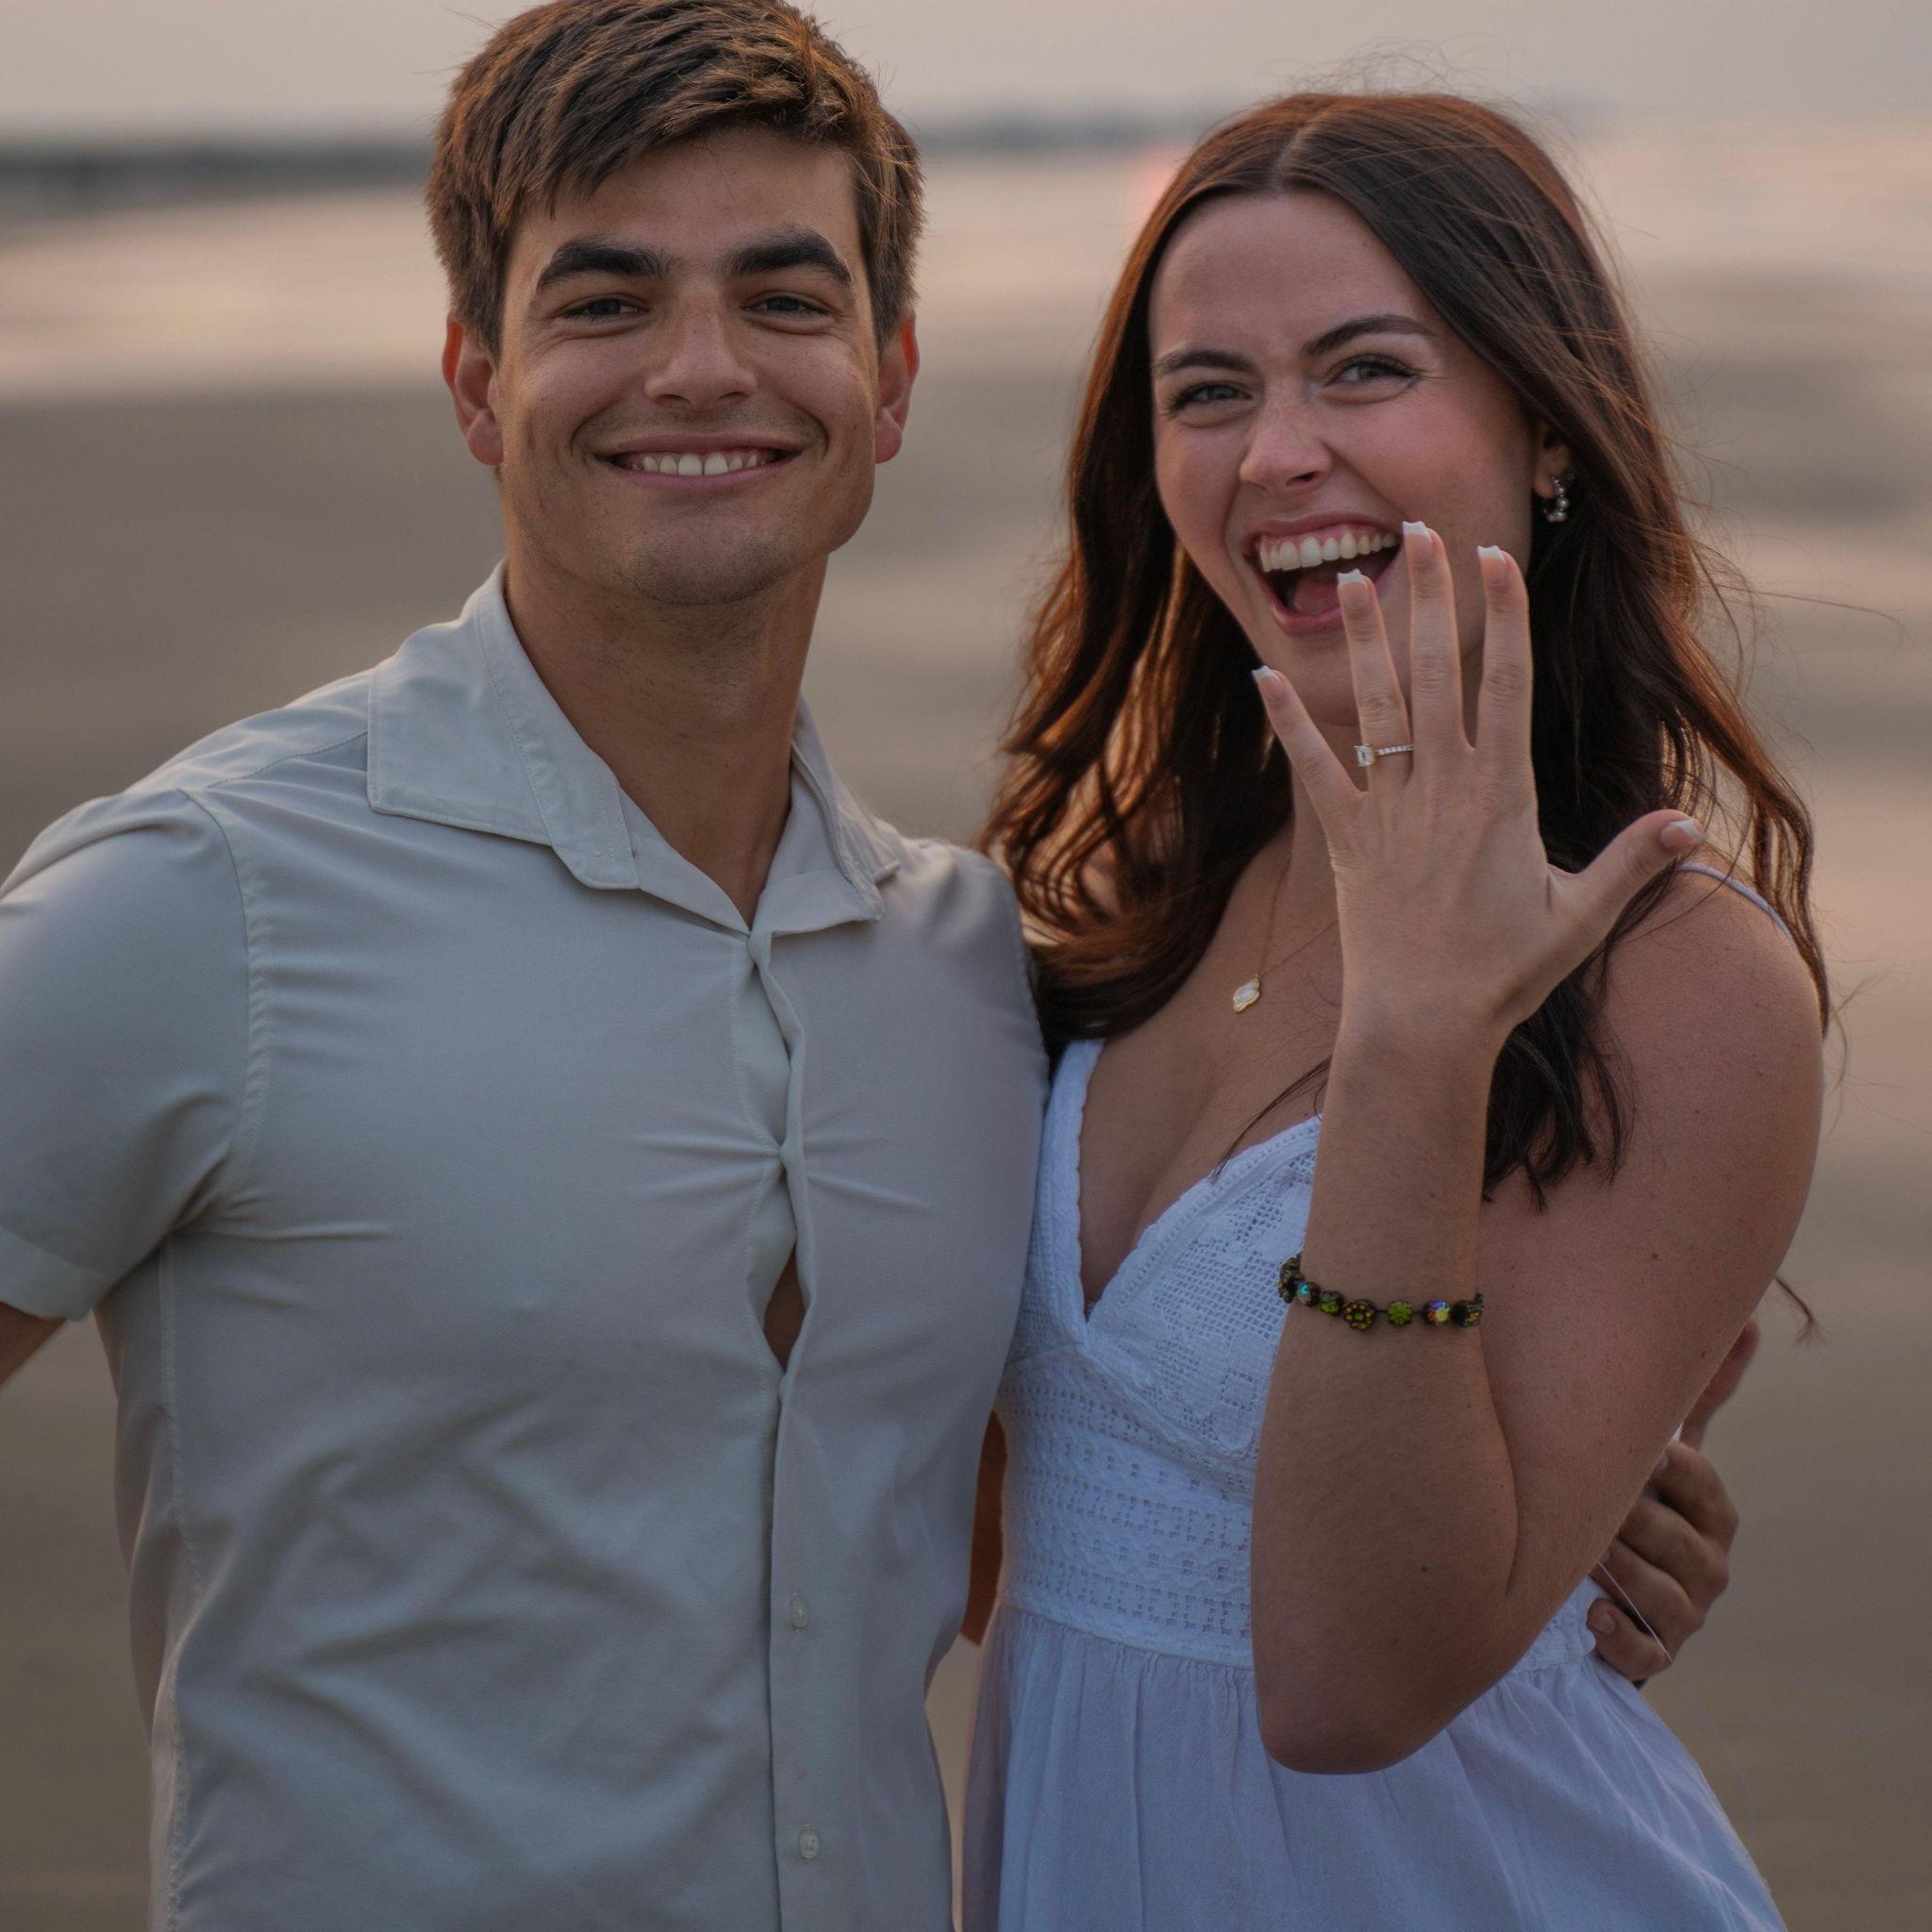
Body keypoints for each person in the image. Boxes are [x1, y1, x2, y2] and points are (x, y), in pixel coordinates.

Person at [0, 8, 1756, 1926]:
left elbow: (988, 1504)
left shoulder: (959, 962)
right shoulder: (212, 899)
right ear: (476, 380)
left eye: (783, 297)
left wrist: (1564, 1499)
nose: (701, 366)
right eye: (605, 300)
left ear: (888, 379)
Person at [963, 92, 1826, 1929]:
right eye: (1208, 392)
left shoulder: (1677, 976)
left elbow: (1351, 1684)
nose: (1280, 453)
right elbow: (952, 1531)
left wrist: (1419, 1046)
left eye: (1365, 369)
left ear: (1547, 425)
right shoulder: (1128, 902)